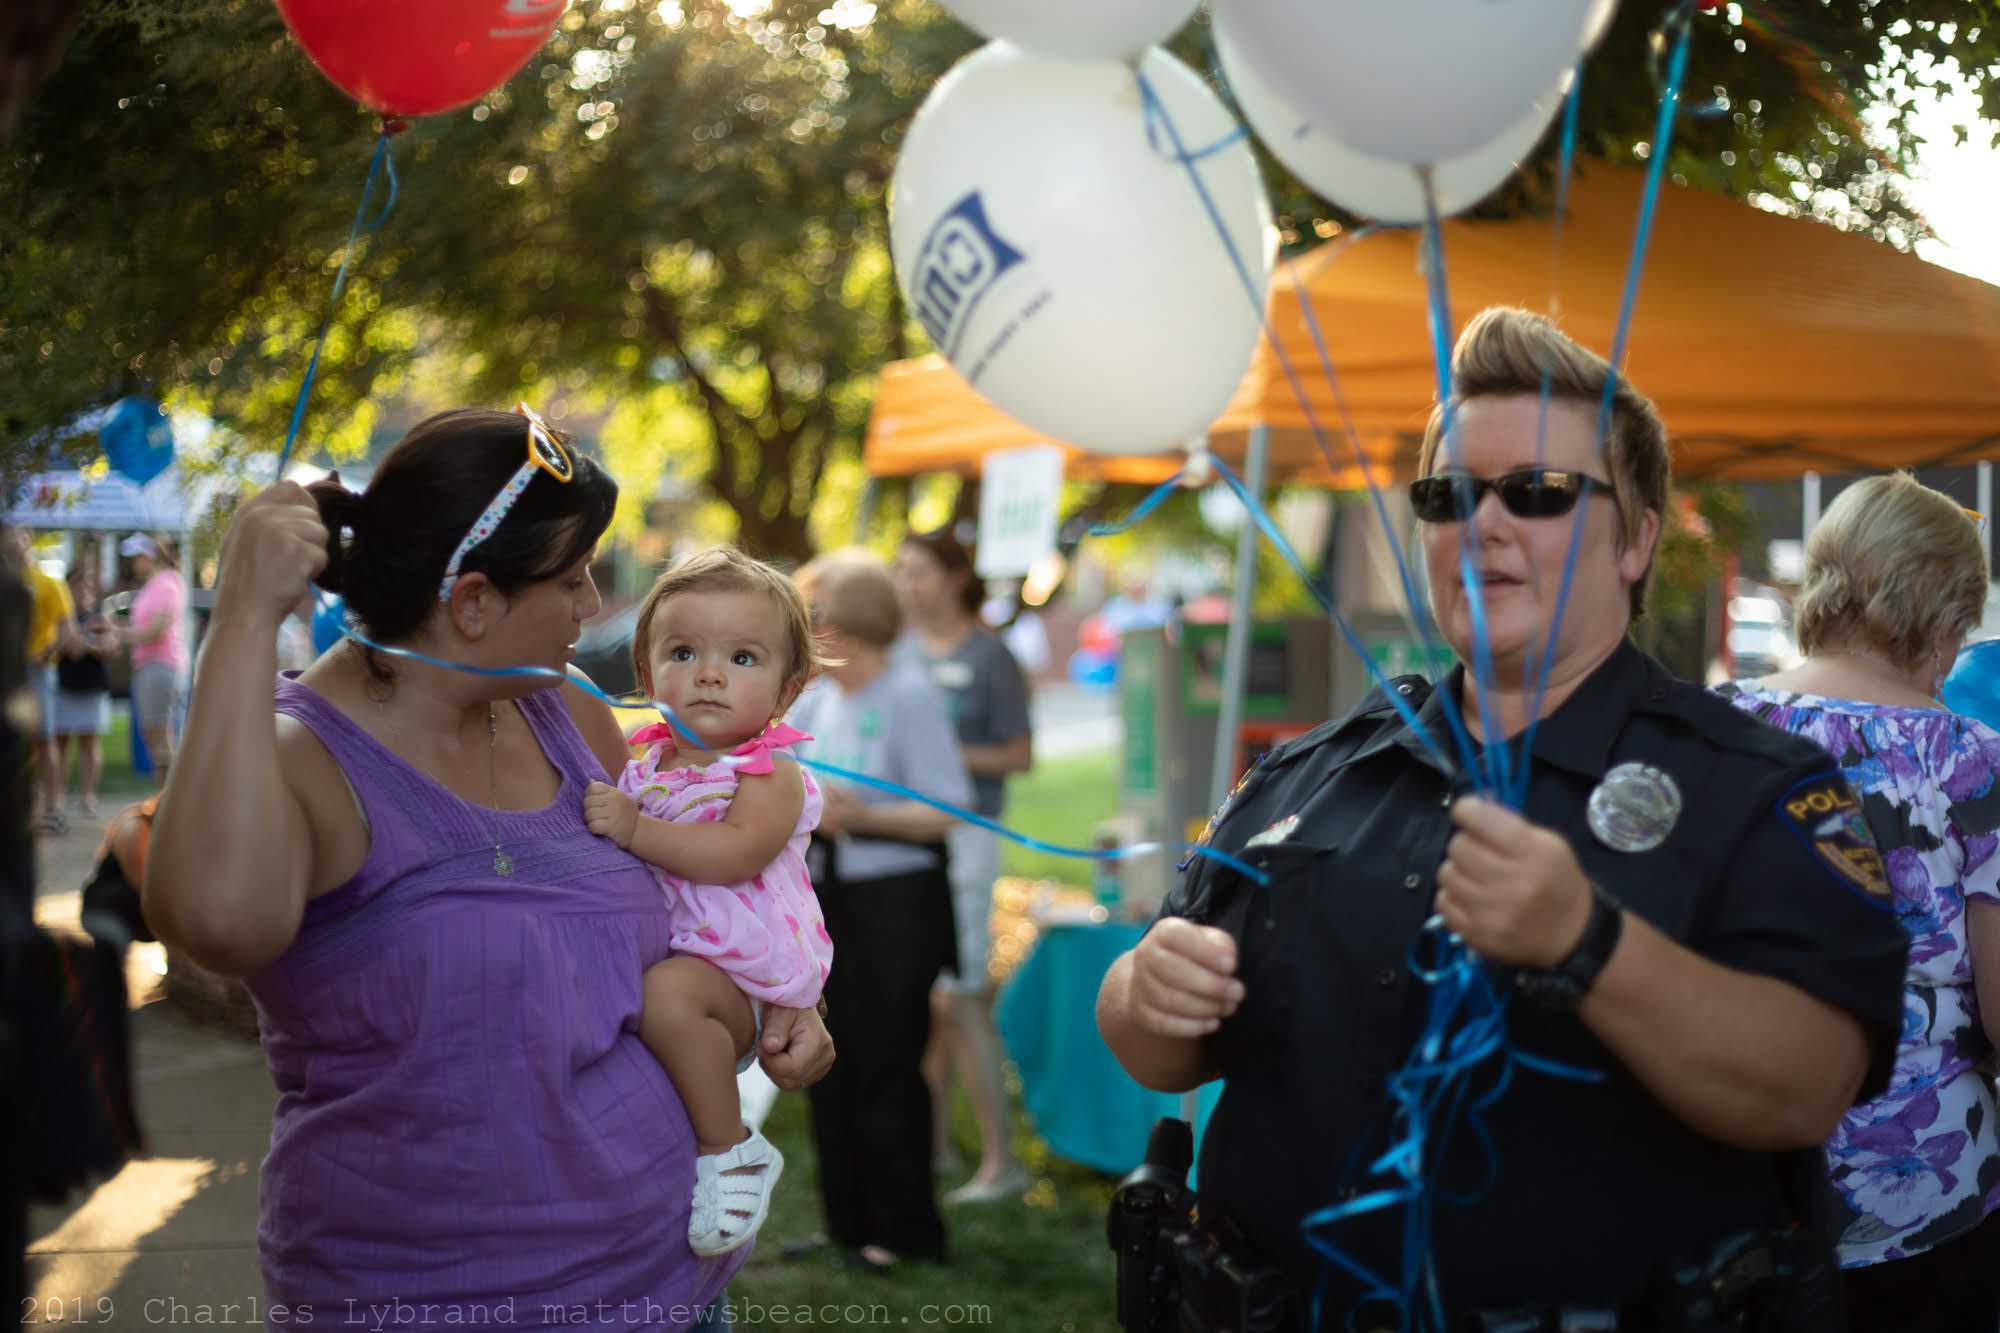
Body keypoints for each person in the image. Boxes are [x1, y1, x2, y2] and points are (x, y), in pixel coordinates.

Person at [1096, 307, 1910, 1328]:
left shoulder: (1753, 788)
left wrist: (1588, 944)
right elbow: (1153, 1045)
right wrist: (1143, 987)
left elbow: (1807, 1087)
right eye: (1446, 496)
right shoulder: (1313, 769)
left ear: (1635, 538)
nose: (1481, 523)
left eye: (1535, 492)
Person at [142, 406, 834, 1328]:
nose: (593, 609)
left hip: (670, 1282)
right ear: (474, 602)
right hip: (428, 1298)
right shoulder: (301, 758)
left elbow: (692, 881)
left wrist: (786, 993)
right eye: (575, 579)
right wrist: (240, 620)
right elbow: (216, 922)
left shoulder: (567, 710)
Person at [1718, 473, 2000, 1330]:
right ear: (1944, 614)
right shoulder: (1972, 759)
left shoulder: (1713, 726)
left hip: (1738, 1187)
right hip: (1931, 1208)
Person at [580, 546, 834, 1257]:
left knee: (666, 999)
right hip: (690, 951)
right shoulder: (645, 761)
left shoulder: (767, 771)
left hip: (740, 961)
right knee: (660, 1000)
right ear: (645, 670)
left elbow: (735, 854)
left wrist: (635, 827)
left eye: (743, 658)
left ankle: (730, 1150)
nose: (710, 673)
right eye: (684, 651)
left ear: (789, 688)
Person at [786, 551, 974, 1270]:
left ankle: (905, 1232)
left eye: (816, 611)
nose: (807, 624)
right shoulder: (824, 697)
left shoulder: (907, 694)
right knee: (831, 1056)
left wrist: (862, 816)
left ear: (849, 622)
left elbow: (948, 808)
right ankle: (847, 1222)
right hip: (829, 895)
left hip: (896, 901)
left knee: (887, 1061)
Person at [892, 527, 1034, 1205]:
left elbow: (1017, 754)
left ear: (954, 576)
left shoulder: (991, 655)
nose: (906, 584)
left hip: (969, 835)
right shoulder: (901, 652)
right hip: (908, 840)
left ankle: (1002, 1162)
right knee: (927, 998)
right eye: (900, 571)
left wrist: (941, 753)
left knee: (958, 993)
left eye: (917, 570)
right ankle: (934, 1147)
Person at [5, 530, 74, 833]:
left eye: (18, 538)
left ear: (28, 540)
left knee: (44, 741)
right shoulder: (6, 581)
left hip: (38, 672)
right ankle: (22, 811)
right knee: (13, 745)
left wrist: (45, 653)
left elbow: (66, 629)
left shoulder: (47, 583)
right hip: (10, 674)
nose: (12, 544)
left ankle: (55, 808)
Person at [118, 532, 186, 788]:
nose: (134, 563)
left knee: (160, 735)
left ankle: (170, 799)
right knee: (154, 734)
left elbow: (157, 628)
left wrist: (120, 634)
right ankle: (165, 800)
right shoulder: (155, 584)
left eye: (137, 557)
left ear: (150, 556)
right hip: (150, 666)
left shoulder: (167, 583)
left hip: (160, 666)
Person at [53, 564, 117, 819]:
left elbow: (110, 647)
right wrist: (89, 637)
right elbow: (63, 646)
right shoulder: (62, 614)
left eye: (88, 583)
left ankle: (87, 795)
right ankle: (57, 794)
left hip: (92, 685)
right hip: (64, 685)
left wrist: (85, 641)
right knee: (60, 743)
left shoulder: (101, 613)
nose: (84, 589)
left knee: (90, 743)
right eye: (79, 584)